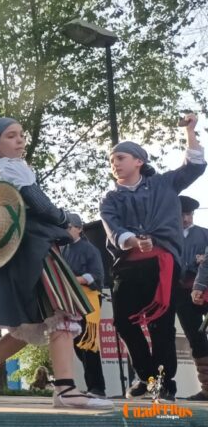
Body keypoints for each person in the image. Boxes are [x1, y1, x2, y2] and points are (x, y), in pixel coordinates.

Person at [0, 117, 112, 409]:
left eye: (21, 135)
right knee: (62, 311)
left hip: (22, 250)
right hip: (35, 250)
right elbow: (40, 204)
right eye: (10, 136)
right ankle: (66, 390)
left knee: (33, 323)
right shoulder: (11, 167)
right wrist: (64, 218)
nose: (20, 140)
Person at [100, 113, 204, 402]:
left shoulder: (165, 184)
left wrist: (191, 132)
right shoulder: (110, 198)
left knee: (161, 323)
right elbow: (113, 229)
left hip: (162, 265)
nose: (115, 163)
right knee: (123, 322)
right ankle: (146, 376)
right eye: (112, 160)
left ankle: (163, 382)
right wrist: (132, 240)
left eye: (120, 157)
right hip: (129, 266)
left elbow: (194, 165)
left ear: (138, 161)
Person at [61, 212, 107, 398]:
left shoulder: (90, 249)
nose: (65, 230)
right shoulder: (62, 249)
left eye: (69, 227)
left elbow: (96, 276)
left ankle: (97, 388)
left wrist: (72, 279)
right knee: (76, 344)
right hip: (70, 300)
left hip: (88, 300)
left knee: (88, 344)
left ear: (79, 229)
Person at [178, 196, 208, 401]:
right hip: (181, 294)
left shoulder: (205, 234)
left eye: (189, 214)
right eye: (183, 215)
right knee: (195, 338)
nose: (187, 218)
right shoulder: (168, 236)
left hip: (205, 291)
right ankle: (207, 388)